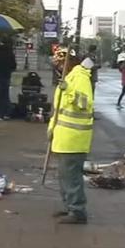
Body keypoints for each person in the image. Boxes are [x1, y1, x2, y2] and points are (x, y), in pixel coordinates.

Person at [48, 48, 94, 224]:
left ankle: (77, 211)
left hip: (74, 138)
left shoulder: (80, 77)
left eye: (60, 63)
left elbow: (84, 103)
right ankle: (69, 206)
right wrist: (51, 128)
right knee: (64, 175)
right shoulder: (68, 78)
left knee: (71, 176)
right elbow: (60, 109)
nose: (59, 67)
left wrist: (68, 91)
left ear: (70, 62)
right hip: (63, 137)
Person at [0, 37, 17, 120]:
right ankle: (7, 113)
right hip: (6, 75)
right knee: (5, 95)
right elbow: (13, 65)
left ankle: (0, 114)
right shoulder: (10, 53)